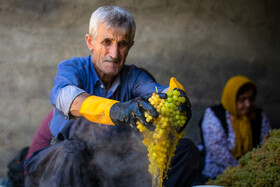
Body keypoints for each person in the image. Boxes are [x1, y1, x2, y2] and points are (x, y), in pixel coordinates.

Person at [24, 6, 200, 187]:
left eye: (122, 44)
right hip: (61, 168)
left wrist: (176, 97)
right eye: (106, 42)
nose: (114, 54)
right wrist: (117, 110)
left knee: (186, 150)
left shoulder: (134, 77)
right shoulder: (73, 68)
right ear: (90, 42)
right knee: (71, 152)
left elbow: (156, 91)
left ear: (130, 46)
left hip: (110, 166)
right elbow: (66, 97)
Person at [197, 75, 271, 183]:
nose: (248, 104)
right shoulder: (214, 115)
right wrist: (243, 170)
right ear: (231, 98)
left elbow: (267, 143)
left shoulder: (258, 116)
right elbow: (217, 151)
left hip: (253, 175)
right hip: (218, 175)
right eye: (242, 100)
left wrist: (256, 168)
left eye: (251, 98)